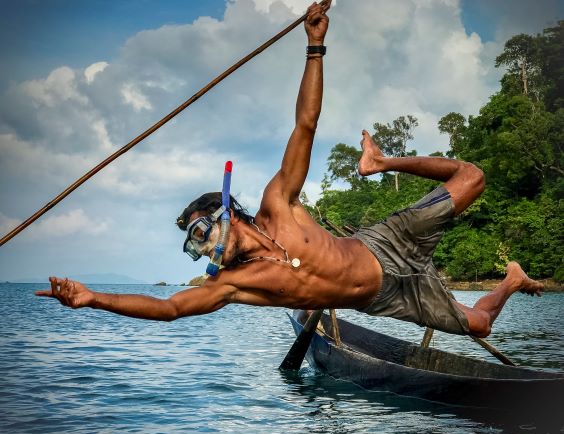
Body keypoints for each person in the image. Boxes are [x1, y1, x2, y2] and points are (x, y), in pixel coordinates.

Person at [37, 2, 543, 338]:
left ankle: (381, 162)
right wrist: (93, 299)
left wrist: (314, 47)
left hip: (385, 244)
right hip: (385, 298)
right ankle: (512, 279)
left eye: (200, 233)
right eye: (194, 247)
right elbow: (169, 309)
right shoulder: (236, 283)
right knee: (480, 325)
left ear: (226, 211)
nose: (203, 249)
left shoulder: (279, 203)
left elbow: (305, 123)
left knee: (472, 177)